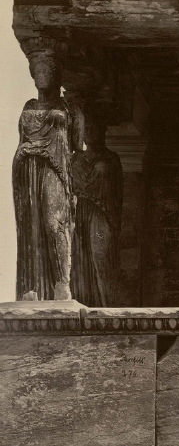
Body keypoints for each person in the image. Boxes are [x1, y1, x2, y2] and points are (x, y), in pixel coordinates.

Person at [13, 39, 81, 301]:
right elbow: (21, 138)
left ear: (55, 74)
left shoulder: (68, 108)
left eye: (46, 70)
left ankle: (62, 283)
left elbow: (77, 145)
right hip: (28, 167)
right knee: (31, 225)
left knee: (54, 223)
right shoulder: (28, 106)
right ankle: (32, 288)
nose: (41, 74)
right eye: (37, 70)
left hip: (55, 167)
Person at [71, 107, 123, 306]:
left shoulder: (111, 159)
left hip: (103, 213)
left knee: (101, 257)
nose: (89, 133)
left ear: (103, 130)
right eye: (86, 129)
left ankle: (107, 306)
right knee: (80, 261)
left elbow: (118, 192)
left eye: (94, 128)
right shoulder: (75, 159)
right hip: (80, 212)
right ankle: (85, 304)